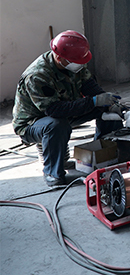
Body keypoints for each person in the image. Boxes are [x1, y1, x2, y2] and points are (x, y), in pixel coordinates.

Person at [13, 30, 124, 187]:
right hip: (33, 123)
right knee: (56, 125)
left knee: (106, 108)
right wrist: (93, 102)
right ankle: (52, 173)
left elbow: (90, 87)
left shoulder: (73, 63)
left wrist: (108, 102)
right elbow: (54, 110)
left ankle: (102, 156)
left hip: (65, 112)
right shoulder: (37, 75)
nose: (81, 65)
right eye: (77, 61)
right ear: (59, 58)